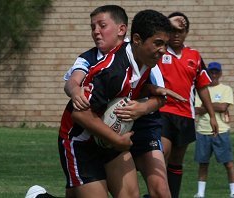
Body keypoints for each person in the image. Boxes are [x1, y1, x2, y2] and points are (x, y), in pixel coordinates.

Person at [59, 8, 174, 198]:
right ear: (137, 40)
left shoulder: (144, 59)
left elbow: (127, 89)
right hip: (80, 142)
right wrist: (117, 140)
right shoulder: (112, 70)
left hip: (110, 139)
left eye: (165, 44)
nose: (163, 50)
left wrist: (151, 90)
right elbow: (79, 114)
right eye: (158, 44)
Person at [155, 11, 219, 198]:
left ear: (186, 33)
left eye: (180, 31)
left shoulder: (195, 56)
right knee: (162, 154)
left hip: (185, 116)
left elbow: (203, 88)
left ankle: (172, 194)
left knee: (176, 160)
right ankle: (158, 193)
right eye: (172, 30)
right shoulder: (159, 51)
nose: (176, 35)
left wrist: (212, 116)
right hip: (162, 111)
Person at [193, 62, 234, 198]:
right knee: (203, 163)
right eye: (211, 72)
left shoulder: (226, 89)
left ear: (220, 74)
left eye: (216, 72)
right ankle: (200, 193)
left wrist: (205, 106)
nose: (213, 75)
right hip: (202, 130)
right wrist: (214, 106)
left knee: (228, 163)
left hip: (221, 131)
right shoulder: (200, 89)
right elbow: (196, 109)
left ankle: (233, 192)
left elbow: (223, 107)